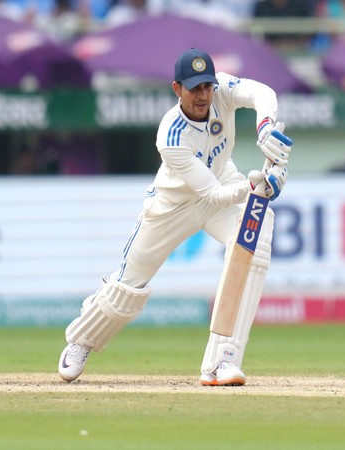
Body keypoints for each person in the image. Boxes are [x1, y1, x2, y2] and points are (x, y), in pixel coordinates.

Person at [57, 48, 293, 386]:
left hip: (222, 183)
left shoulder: (221, 91)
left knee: (254, 245)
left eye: (207, 87)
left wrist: (266, 127)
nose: (203, 96)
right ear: (177, 89)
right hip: (172, 204)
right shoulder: (170, 135)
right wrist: (253, 186)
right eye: (194, 88)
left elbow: (263, 93)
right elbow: (210, 194)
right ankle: (82, 339)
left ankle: (223, 360)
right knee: (128, 286)